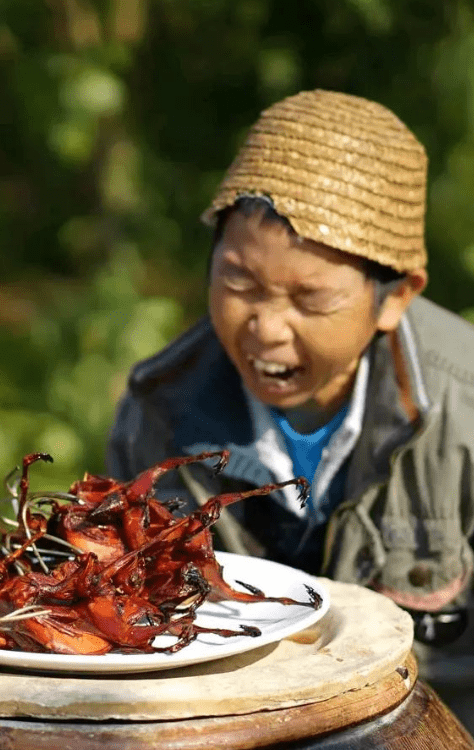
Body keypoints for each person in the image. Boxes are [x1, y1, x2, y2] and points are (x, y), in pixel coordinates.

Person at [107, 90, 474, 727]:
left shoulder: (463, 411)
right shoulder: (161, 408)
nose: (267, 329)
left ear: (394, 297)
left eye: (310, 301)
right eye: (238, 283)